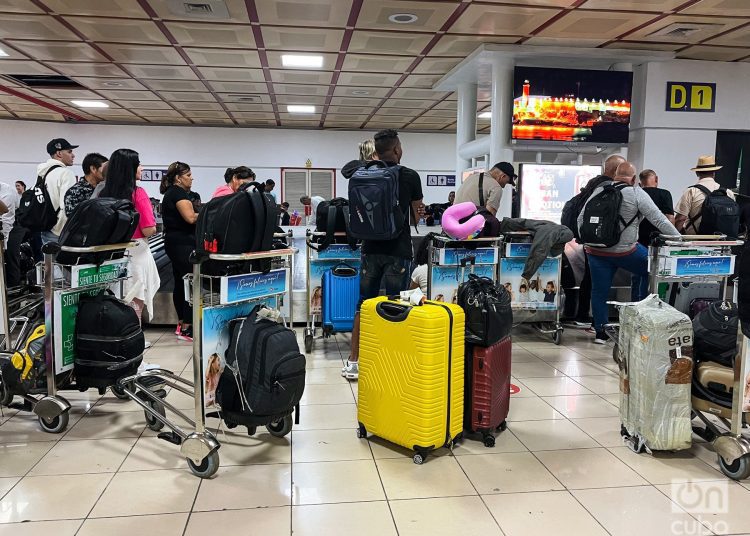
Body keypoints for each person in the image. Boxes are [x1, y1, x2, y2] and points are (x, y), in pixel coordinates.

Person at [341, 129, 424, 380]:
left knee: (363, 306)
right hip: (398, 250)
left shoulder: (364, 173)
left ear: (376, 151)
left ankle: (354, 362)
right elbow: (417, 213)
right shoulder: (409, 175)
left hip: (369, 250)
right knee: (396, 305)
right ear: (397, 150)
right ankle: (390, 361)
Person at [577, 161, 679, 344]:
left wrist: (588, 244)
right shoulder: (636, 192)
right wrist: (680, 240)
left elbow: (581, 218)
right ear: (633, 178)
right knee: (651, 270)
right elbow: (659, 220)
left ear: (615, 176)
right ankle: (639, 318)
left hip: (595, 250)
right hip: (626, 251)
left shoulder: (599, 190)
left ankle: (600, 332)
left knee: (599, 291)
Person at [100, 149, 159, 347]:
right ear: (129, 168)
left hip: (110, 255)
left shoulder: (103, 193)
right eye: (138, 164)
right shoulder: (138, 193)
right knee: (135, 300)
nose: (141, 168)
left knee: (116, 298)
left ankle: (117, 338)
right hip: (136, 253)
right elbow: (149, 228)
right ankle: (133, 340)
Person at [568, 154, 625, 329]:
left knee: (589, 277)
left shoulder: (593, 184)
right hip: (602, 240)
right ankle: (598, 322)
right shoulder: (609, 188)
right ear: (616, 170)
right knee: (600, 281)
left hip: (588, 238)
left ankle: (583, 314)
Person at [160, 161, 198, 341]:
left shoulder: (170, 193)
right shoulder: (178, 193)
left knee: (180, 281)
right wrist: (208, 212)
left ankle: (181, 324)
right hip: (183, 242)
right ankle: (188, 328)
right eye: (188, 175)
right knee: (191, 281)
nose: (191, 179)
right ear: (178, 178)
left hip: (174, 242)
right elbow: (190, 218)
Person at [675, 155, 735, 235]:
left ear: (697, 173)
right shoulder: (728, 193)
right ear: (714, 173)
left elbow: (680, 219)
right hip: (722, 241)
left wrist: (674, 235)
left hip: (697, 241)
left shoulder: (691, 191)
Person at [38, 138, 79, 243]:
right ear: (59, 153)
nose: (73, 155)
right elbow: (67, 206)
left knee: (49, 259)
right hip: (59, 232)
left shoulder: (43, 173)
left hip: (45, 228)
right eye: (69, 152)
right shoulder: (65, 173)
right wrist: (61, 230)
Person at [637, 169, 674, 247]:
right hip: (659, 237)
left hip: (639, 236)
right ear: (656, 179)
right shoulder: (665, 194)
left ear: (640, 184)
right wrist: (672, 238)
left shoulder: (637, 194)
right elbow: (670, 218)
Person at [64, 152, 107, 216]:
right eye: (104, 168)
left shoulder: (106, 188)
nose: (107, 171)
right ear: (93, 169)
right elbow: (73, 219)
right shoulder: (75, 192)